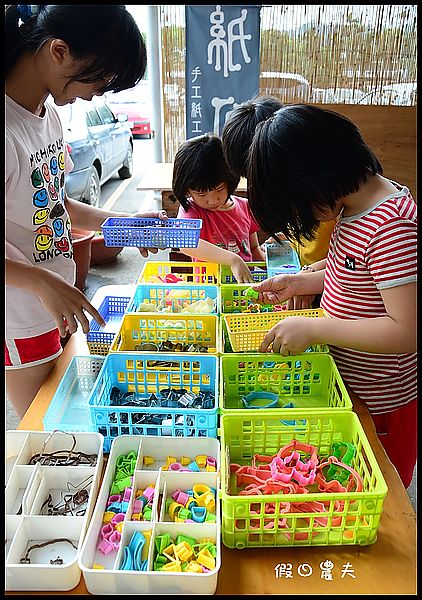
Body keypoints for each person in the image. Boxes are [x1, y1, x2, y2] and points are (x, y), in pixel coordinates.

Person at [5, 4, 168, 419]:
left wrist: (124, 225)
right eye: (100, 79)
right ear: (59, 51)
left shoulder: (49, 117)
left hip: (57, 299)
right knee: (48, 426)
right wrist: (41, 281)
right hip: (19, 315)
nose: (98, 93)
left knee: (71, 416)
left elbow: (53, 205)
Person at [246, 103, 417, 488]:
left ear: (316, 177)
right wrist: (299, 283)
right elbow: (354, 272)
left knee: (379, 488)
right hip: (352, 385)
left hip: (383, 401)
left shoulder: (392, 225)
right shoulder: (355, 209)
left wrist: (317, 329)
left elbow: (406, 329)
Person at [221, 93, 336, 309]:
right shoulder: (297, 192)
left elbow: (350, 261)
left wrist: (309, 276)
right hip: (309, 278)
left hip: (323, 284)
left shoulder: (327, 199)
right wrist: (288, 238)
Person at [171, 132, 265, 283]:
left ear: (230, 180)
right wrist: (233, 260)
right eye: (201, 193)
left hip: (243, 292)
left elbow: (254, 249)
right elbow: (185, 243)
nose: (212, 200)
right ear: (187, 190)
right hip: (208, 294)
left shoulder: (245, 207)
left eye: (219, 188)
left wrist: (273, 265)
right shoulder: (192, 211)